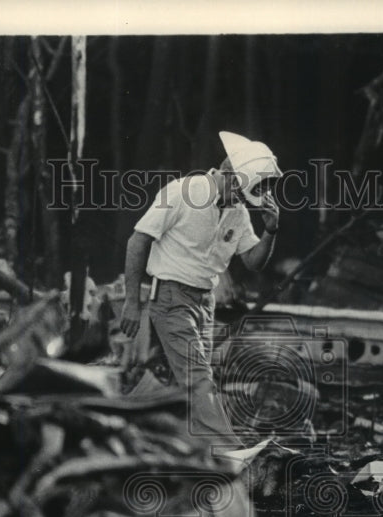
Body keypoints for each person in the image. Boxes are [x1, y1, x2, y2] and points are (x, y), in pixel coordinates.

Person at [119, 131, 282, 449]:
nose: (257, 196)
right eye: (254, 188)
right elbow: (138, 241)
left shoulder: (237, 212)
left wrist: (271, 231)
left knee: (187, 378)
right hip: (171, 297)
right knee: (198, 379)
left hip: (204, 303)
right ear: (235, 180)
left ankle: (167, 442)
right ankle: (231, 453)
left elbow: (252, 261)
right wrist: (131, 301)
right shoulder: (182, 192)